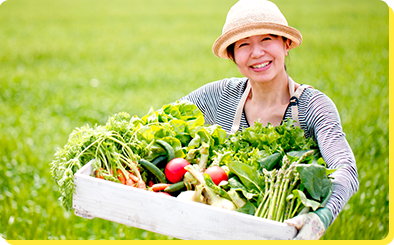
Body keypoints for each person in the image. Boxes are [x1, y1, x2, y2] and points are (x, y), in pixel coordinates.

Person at [179, 0, 359, 240]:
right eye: (244, 44)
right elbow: (164, 120)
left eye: (267, 40)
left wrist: (321, 217)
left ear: (286, 45)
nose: (256, 53)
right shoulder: (220, 96)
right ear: (233, 56)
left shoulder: (313, 107)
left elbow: (345, 169)